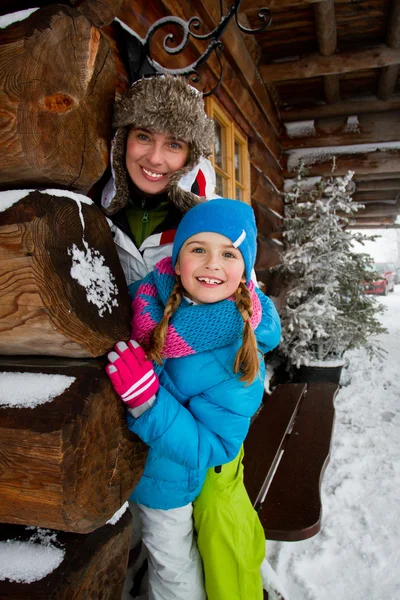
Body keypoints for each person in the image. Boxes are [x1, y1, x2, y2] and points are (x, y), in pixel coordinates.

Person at [106, 199, 281, 600]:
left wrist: (146, 400)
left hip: (168, 480)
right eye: (198, 248)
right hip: (122, 465)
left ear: (244, 271)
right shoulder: (150, 296)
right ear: (178, 256)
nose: (211, 264)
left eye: (229, 253)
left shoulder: (240, 350)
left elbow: (216, 444)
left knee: (171, 564)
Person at [101, 74, 216, 291]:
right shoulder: (91, 211)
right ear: (123, 140)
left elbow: (250, 309)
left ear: (191, 156)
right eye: (144, 137)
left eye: (174, 145)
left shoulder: (214, 223)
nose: (154, 158)